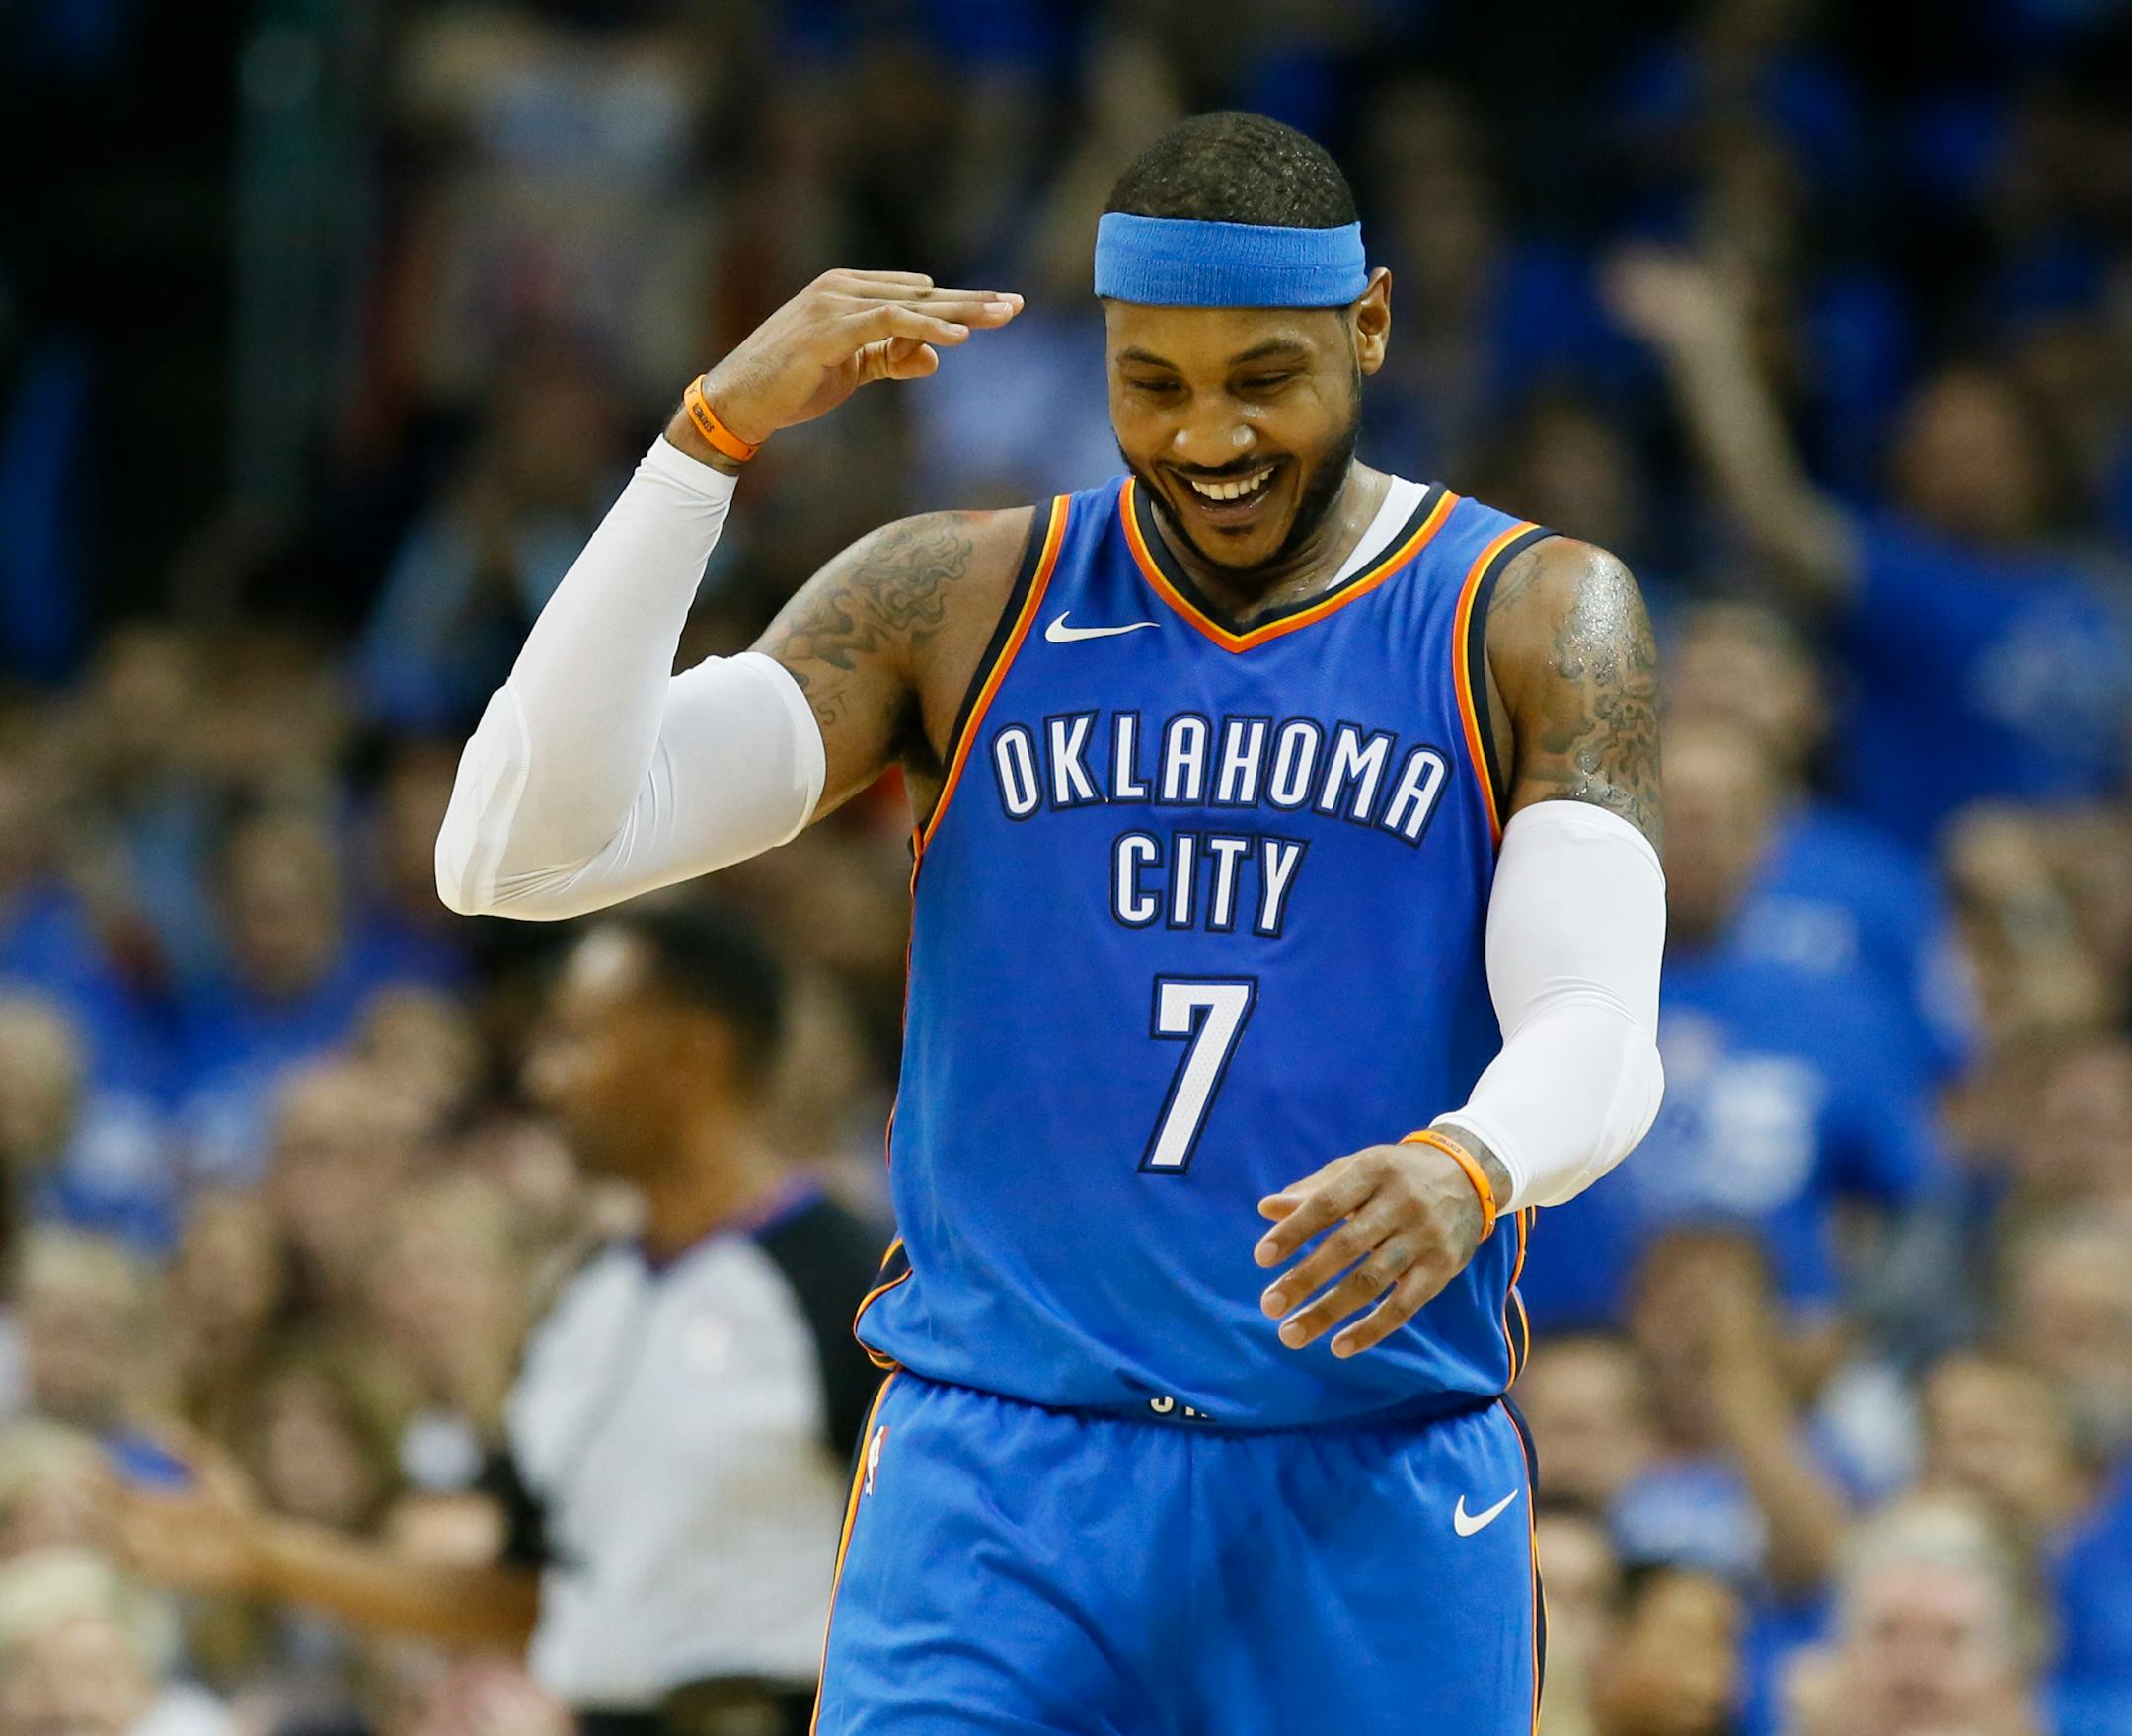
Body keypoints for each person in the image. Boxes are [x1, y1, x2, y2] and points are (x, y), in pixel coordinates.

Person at [436, 110, 1670, 1734]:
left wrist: (1474, 1160)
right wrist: (706, 441)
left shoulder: (1531, 612)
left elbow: (1600, 1020)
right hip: (998, 1471)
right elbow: (519, 848)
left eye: (1263, 378)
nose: (1208, 434)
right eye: (1153, 381)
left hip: (1363, 1465)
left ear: (1370, 323)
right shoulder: (953, 596)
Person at [113, 907, 887, 1736]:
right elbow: (519, 1598)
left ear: (691, 1055)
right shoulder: (587, 1298)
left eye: (579, 1040)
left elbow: (925, 1572)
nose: (543, 1077)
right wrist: (269, 1556)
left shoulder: (849, 1283)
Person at [1605, 249, 2132, 848]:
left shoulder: (2094, 594)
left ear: (2035, 459)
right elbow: (1770, 513)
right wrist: (1707, 354)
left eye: (1985, 447)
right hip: (1922, 885)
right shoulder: (1902, 579)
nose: (1967, 471)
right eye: (1942, 448)